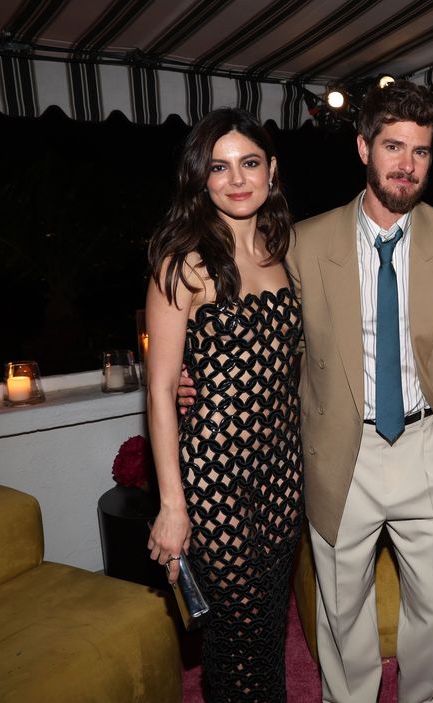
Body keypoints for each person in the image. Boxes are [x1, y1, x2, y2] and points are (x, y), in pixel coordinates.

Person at [285, 81, 433, 702]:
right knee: (342, 613)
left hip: (428, 443)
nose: (406, 163)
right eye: (393, 146)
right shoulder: (304, 243)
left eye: (421, 151)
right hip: (343, 452)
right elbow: (279, 352)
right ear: (363, 147)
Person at [144, 107, 302, 702]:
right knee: (234, 639)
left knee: (268, 629)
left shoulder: (284, 249)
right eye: (219, 166)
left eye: (250, 163)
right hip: (216, 476)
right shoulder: (183, 262)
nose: (237, 180)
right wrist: (172, 505)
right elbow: (160, 390)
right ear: (199, 177)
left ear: (272, 172)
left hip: (284, 472)